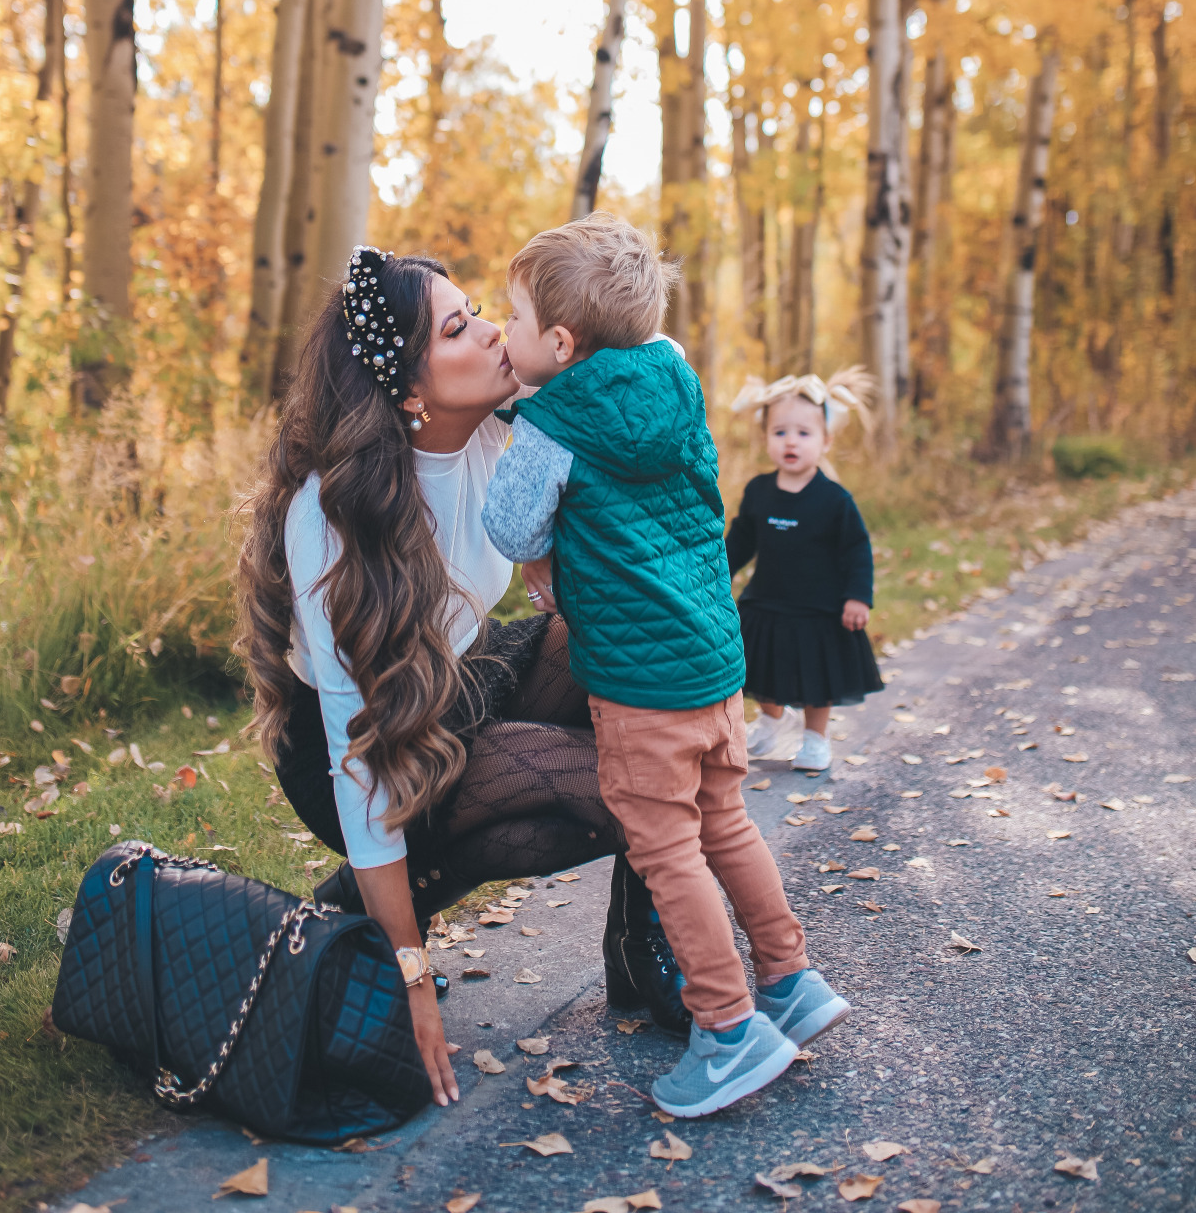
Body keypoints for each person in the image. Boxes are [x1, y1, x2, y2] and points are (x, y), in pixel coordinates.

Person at [235, 245, 687, 1115]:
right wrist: (409, 975)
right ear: (408, 390)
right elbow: (357, 758)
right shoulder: (334, 518)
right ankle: (361, 922)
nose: (489, 331)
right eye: (457, 326)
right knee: (624, 786)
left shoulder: (503, 430)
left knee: (626, 664)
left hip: (455, 681)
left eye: (480, 309)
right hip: (360, 749)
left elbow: (645, 364)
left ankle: (642, 942)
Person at [481, 213, 851, 1121]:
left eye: (513, 319)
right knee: (725, 823)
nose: (500, 333)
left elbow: (511, 530)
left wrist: (523, 433)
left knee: (667, 849)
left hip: (640, 689)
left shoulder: (551, 422)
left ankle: (725, 1029)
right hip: (712, 663)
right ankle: (789, 979)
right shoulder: (675, 372)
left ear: (560, 344)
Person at [727, 370, 884, 774]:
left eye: (803, 433)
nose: (791, 441)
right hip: (767, 600)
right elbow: (742, 539)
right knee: (759, 664)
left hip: (819, 607)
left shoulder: (833, 499)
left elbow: (856, 549)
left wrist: (857, 596)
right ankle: (770, 722)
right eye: (780, 432)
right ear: (767, 439)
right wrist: (716, 573)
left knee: (819, 676)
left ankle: (815, 739)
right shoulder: (759, 490)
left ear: (825, 441)